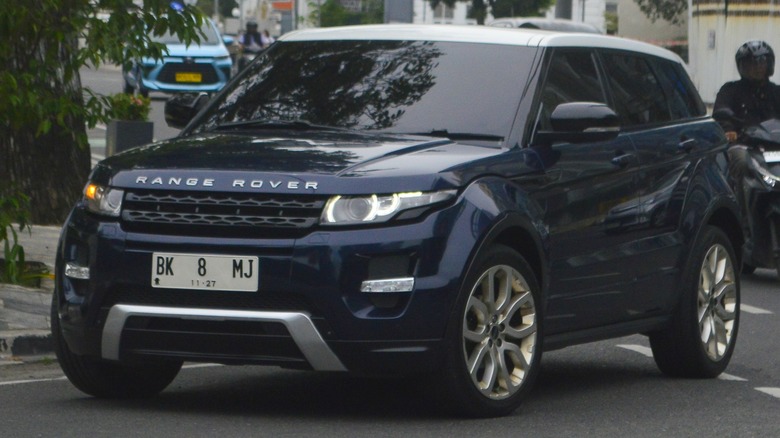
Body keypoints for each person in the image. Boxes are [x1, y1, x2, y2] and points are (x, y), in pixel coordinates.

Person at [713, 40, 780, 213]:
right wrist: (729, 131)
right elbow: (721, 114)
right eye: (752, 63)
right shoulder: (731, 91)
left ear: (769, 64)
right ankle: (743, 220)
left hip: (773, 148)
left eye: (762, 62)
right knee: (742, 163)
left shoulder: (776, 92)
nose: (758, 67)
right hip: (745, 146)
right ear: (742, 66)